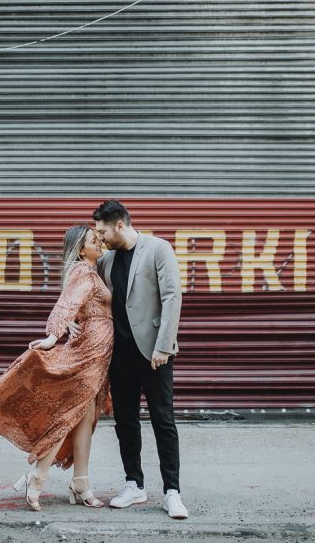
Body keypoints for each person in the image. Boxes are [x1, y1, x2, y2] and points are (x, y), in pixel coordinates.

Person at [0, 225, 112, 511]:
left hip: (98, 353)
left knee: (85, 419)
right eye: (93, 240)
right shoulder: (83, 272)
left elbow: (81, 305)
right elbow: (67, 303)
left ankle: (81, 482)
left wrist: (78, 320)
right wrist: (54, 336)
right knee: (70, 414)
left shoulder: (92, 272)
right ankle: (38, 477)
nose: (99, 242)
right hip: (88, 353)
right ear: (80, 249)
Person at [92, 200, 189, 520]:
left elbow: (172, 296)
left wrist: (164, 346)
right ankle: (134, 484)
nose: (100, 237)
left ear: (119, 225)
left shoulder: (158, 248)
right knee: (126, 423)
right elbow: (91, 294)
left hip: (154, 354)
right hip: (119, 355)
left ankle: (172, 492)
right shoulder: (106, 259)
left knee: (163, 420)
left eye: (103, 231)